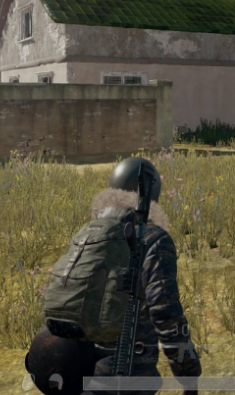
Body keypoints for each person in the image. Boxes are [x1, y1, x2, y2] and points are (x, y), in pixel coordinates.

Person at [80, 157, 202, 395]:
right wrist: (188, 375)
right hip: (129, 375)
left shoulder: (89, 234)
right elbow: (167, 316)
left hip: (81, 370)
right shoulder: (154, 240)